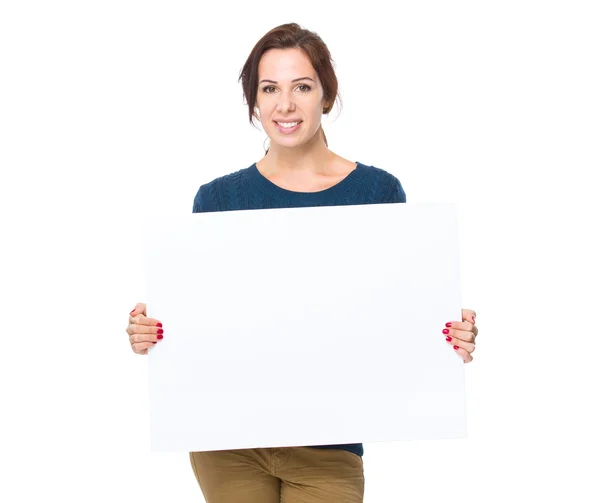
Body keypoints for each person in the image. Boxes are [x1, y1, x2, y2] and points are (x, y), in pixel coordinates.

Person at [125, 22, 478, 503]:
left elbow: (395, 314)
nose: (284, 105)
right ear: (254, 101)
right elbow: (208, 319)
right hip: (228, 443)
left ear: (327, 96)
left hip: (329, 449)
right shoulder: (218, 199)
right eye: (269, 88)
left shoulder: (376, 193)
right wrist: (156, 330)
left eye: (302, 87)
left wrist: (443, 335)